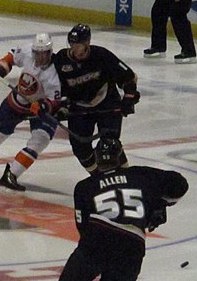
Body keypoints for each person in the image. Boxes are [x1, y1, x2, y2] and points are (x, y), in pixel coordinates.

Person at [16, 138, 188, 281]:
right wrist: (159, 205)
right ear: (121, 157)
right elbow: (179, 185)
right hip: (132, 244)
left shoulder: (84, 187)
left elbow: (82, 227)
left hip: (96, 236)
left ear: (96, 159)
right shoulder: (141, 175)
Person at [0, 33, 62, 191]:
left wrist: (45, 106)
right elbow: (10, 58)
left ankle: (11, 175)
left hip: (38, 110)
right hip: (17, 102)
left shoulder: (55, 73)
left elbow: (55, 100)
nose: (40, 57)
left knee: (40, 140)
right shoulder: (28, 51)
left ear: (50, 52)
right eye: (37, 53)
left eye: (44, 53)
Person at [53, 24, 140, 172]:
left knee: (110, 144)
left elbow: (129, 77)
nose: (76, 49)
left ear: (87, 43)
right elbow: (53, 86)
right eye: (73, 44)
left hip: (107, 103)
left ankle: (127, 177)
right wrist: (58, 106)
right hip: (79, 107)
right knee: (80, 148)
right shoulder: (61, 60)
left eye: (79, 45)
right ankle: (98, 179)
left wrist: (128, 97)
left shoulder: (101, 55)